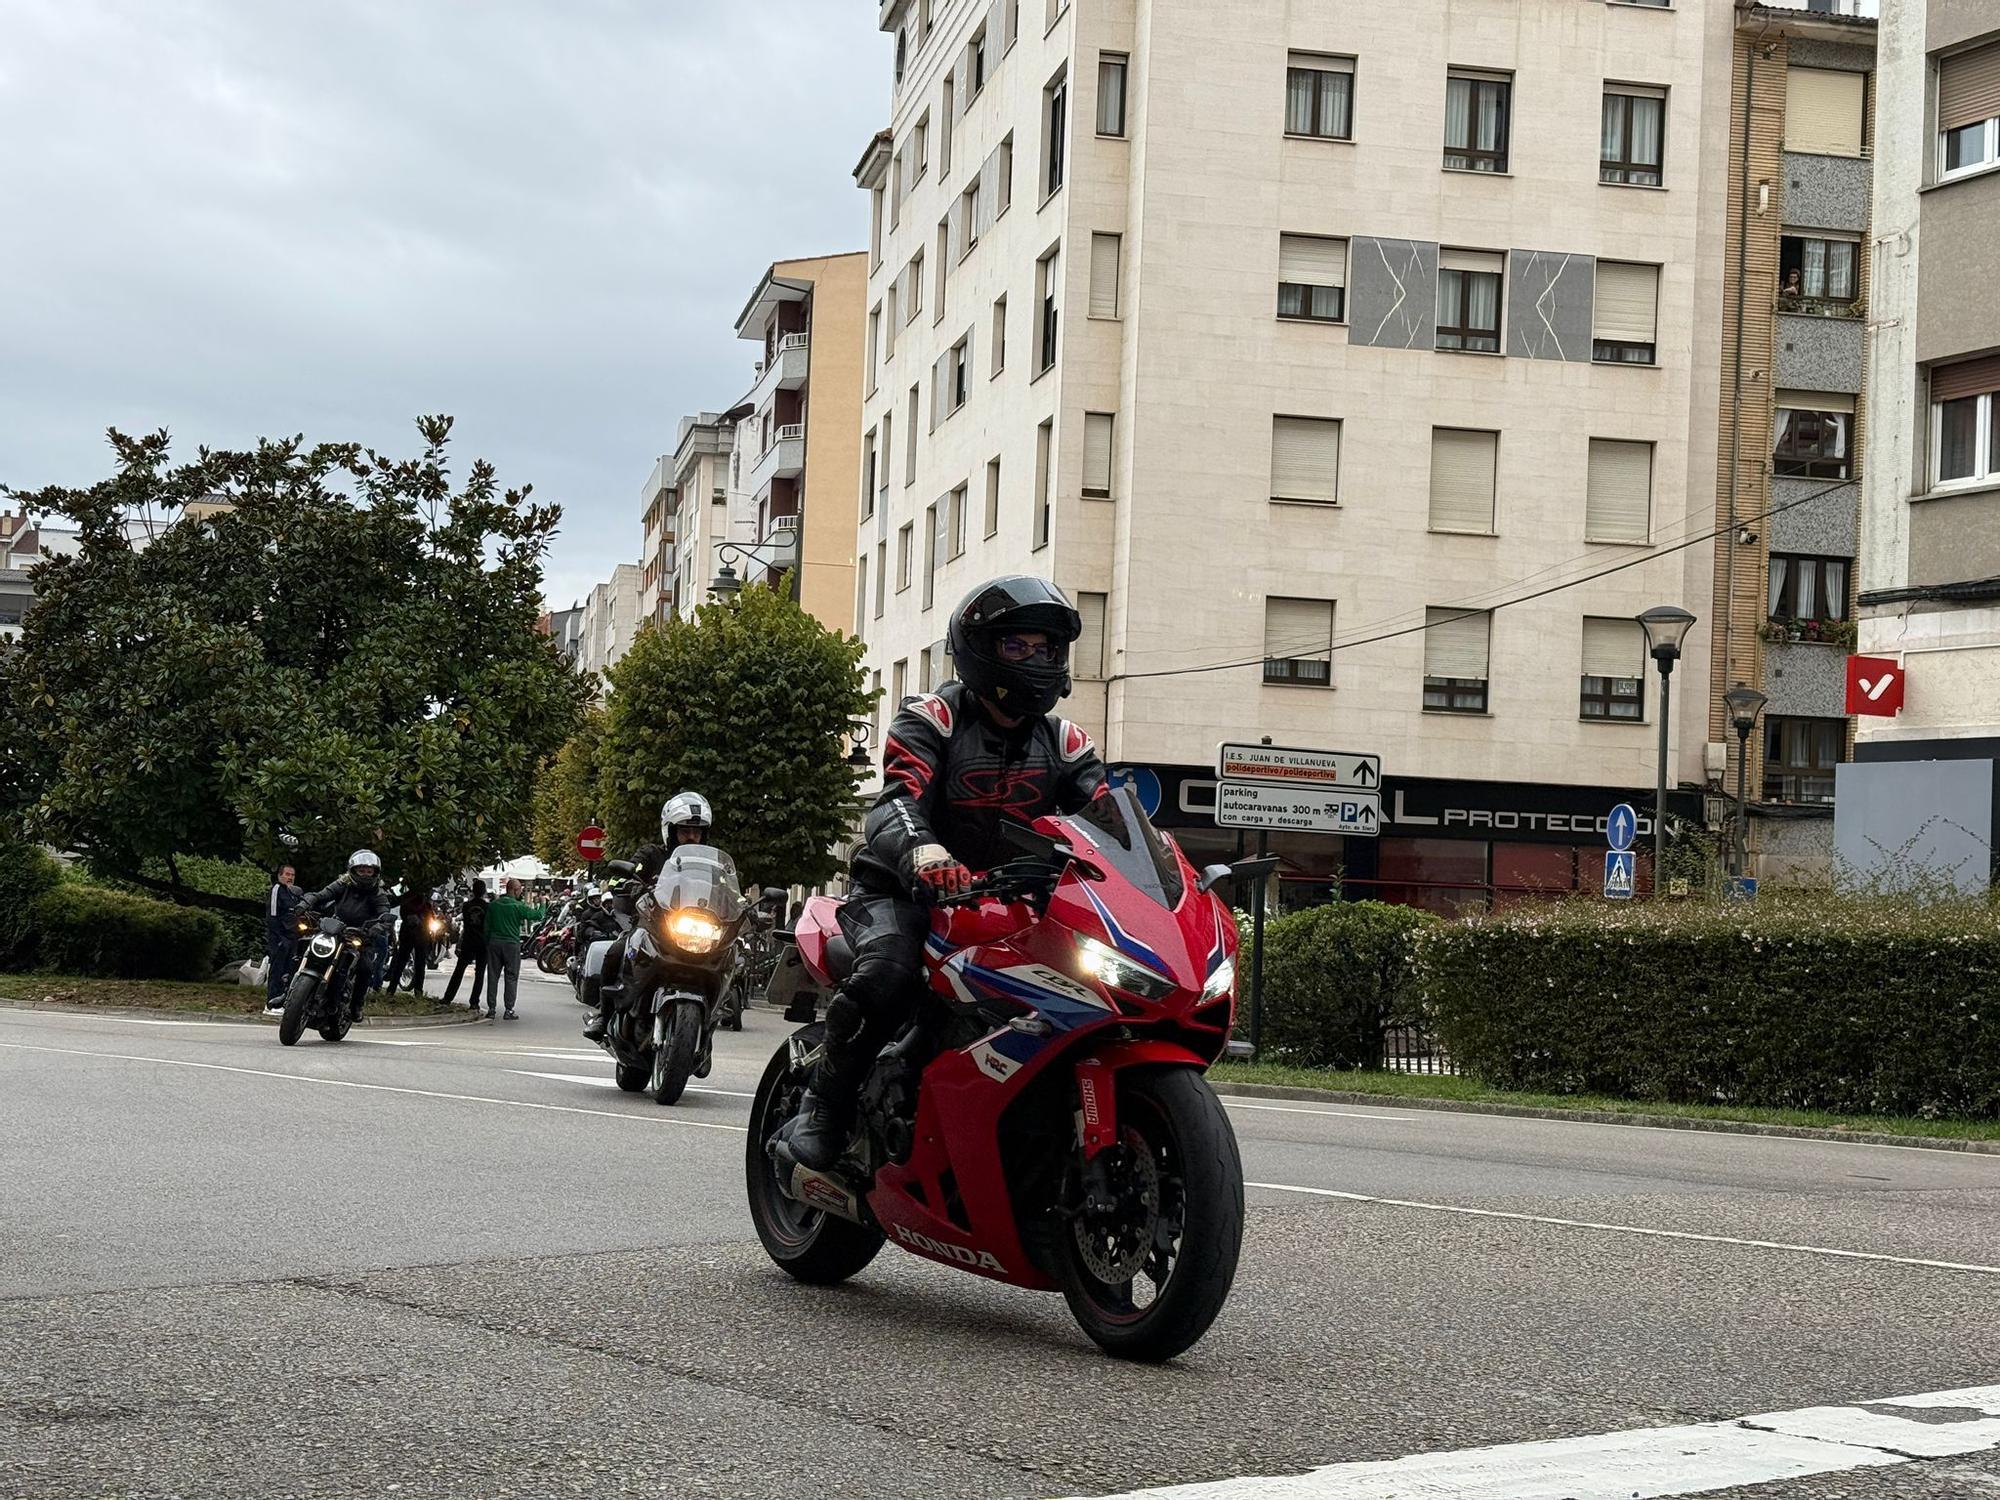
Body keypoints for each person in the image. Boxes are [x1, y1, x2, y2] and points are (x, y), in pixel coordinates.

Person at [777, 577, 1106, 1170]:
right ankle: (823, 1107)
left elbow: (1108, 818)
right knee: (888, 974)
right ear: (981, 649)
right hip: (903, 891)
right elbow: (897, 799)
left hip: (1012, 904)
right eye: (1018, 647)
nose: (1036, 660)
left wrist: (1165, 870)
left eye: (1046, 648)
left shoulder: (1065, 742)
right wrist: (925, 853)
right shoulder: (934, 720)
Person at [584, 793, 712, 1042]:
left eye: (697, 832)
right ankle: (604, 1014)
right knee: (616, 951)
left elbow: (727, 891)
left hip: (696, 930)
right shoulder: (652, 855)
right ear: (670, 830)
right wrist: (628, 884)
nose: (691, 836)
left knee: (730, 956)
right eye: (685, 830)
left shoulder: (708, 865)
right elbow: (619, 878)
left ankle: (709, 1025)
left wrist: (744, 906)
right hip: (652, 923)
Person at [299, 850, 397, 1018]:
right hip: (336, 929)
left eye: (369, 871)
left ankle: (356, 1005)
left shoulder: (378, 894)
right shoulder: (343, 884)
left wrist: (378, 928)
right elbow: (322, 895)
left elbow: (385, 916)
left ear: (375, 873)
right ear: (353, 870)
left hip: (362, 935)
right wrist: (305, 903)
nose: (365, 874)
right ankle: (289, 991)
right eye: (361, 870)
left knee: (365, 967)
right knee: (304, 947)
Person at [484, 877, 548, 1019]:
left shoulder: (494, 905)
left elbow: (486, 928)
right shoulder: (518, 906)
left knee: (493, 976)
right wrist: (542, 903)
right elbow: (537, 915)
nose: (521, 892)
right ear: (514, 890)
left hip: (494, 943)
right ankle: (509, 1010)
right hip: (511, 944)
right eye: (520, 890)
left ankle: (492, 1009)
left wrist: (487, 943)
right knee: (511, 976)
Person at [440, 879, 490, 1009]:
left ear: (472, 891)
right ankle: (474, 1002)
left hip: (468, 940)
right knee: (479, 973)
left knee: (459, 970)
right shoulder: (487, 907)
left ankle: (447, 998)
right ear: (484, 891)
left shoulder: (467, 906)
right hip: (482, 942)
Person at [264, 865, 303, 1012]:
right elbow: (272, 916)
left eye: (292, 875)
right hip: (279, 938)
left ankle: (282, 1001)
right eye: (287, 874)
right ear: (280, 875)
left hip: (292, 937)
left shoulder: (292, 893)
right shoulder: (277, 890)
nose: (290, 877)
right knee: (277, 969)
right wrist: (279, 938)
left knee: (288, 970)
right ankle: (271, 1003)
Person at [384, 884, 434, 999]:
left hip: (414, 934)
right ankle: (416, 991)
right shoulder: (417, 899)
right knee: (413, 963)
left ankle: (393, 990)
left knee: (405, 962)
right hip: (415, 934)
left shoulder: (414, 898)